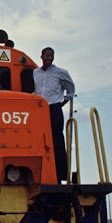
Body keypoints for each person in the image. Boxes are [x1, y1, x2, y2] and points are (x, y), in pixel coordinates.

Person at [33, 47, 75, 183]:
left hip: (54, 108)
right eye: (46, 55)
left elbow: (70, 90)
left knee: (57, 140)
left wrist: (62, 103)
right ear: (41, 56)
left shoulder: (61, 72)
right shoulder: (35, 72)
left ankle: (60, 174)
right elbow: (35, 90)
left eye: (51, 56)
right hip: (40, 110)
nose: (49, 58)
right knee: (39, 140)